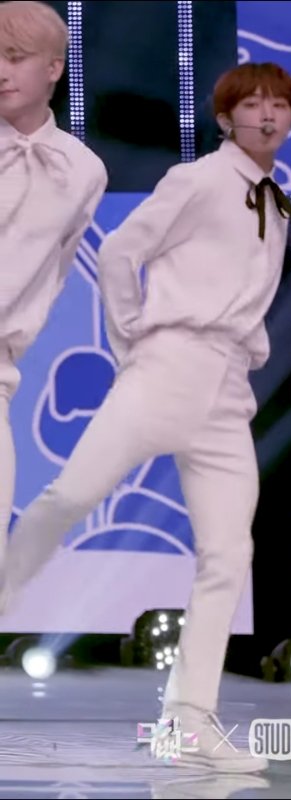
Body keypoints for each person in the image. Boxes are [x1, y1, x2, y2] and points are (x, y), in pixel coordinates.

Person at [2, 61, 291, 772]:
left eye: (279, 105)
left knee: (228, 555)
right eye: (252, 105)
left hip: (227, 388)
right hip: (168, 365)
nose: (266, 116)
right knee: (68, 498)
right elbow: (121, 252)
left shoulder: (278, 204)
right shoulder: (197, 180)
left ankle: (189, 719)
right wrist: (132, 337)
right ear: (225, 118)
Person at [0, 0, 108, 570]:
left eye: (15, 57)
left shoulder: (82, 170)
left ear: (54, 67)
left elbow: (56, 269)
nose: (1, 71)